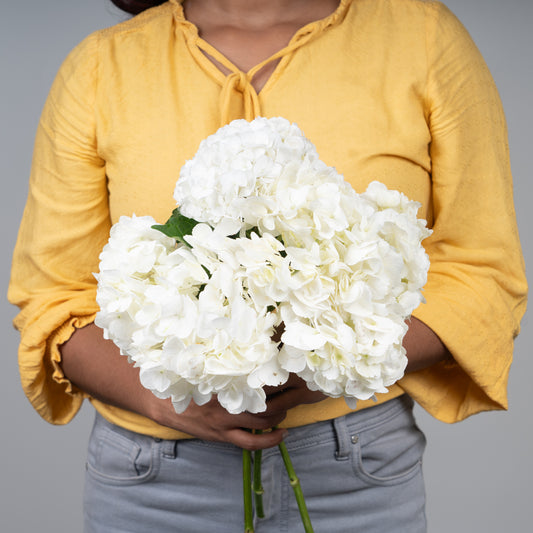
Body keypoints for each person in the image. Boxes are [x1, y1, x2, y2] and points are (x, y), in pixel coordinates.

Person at [8, 0, 527, 531]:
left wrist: (335, 362)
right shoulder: (102, 66)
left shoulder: (422, 38)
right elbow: (55, 301)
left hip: (355, 477)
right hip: (157, 486)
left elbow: (482, 273)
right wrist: (167, 398)